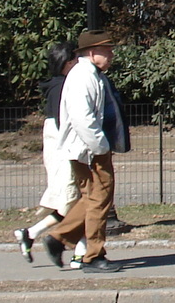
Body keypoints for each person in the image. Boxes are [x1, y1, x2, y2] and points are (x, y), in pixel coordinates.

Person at [40, 30, 130, 274]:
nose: (111, 55)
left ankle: (59, 237)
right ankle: (93, 256)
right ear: (92, 52)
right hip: (89, 151)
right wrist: (100, 147)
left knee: (92, 198)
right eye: (107, 50)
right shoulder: (83, 77)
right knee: (99, 200)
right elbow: (83, 118)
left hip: (88, 149)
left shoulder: (91, 74)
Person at [14, 43, 82, 263]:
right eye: (76, 59)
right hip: (65, 151)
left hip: (61, 150)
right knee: (76, 202)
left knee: (79, 202)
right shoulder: (63, 88)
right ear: (67, 63)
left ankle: (77, 251)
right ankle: (75, 250)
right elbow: (65, 124)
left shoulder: (56, 86)